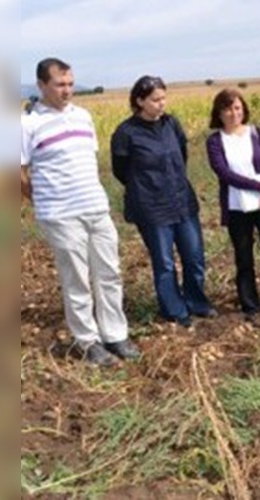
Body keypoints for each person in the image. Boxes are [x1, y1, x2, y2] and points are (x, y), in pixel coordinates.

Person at [21, 57, 136, 367]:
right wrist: (44, 200)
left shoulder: (83, 117)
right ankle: (87, 341)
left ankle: (115, 335)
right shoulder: (27, 124)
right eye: (60, 84)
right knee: (78, 280)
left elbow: (87, 161)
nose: (67, 90)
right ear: (41, 85)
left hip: (96, 206)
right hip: (60, 213)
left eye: (71, 83)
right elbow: (18, 172)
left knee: (109, 273)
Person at [111, 75, 216, 328]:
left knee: (194, 256)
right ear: (140, 101)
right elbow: (120, 170)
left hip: (182, 200)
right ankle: (175, 310)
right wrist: (146, 186)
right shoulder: (126, 133)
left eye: (163, 98)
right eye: (155, 99)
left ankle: (196, 301)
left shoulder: (172, 124)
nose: (161, 104)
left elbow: (181, 156)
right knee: (164, 262)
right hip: (151, 207)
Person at [207, 89, 260, 320]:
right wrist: (259, 187)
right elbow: (224, 173)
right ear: (219, 113)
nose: (234, 113)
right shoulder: (215, 141)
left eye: (237, 108)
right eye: (228, 109)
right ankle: (250, 305)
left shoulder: (255, 132)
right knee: (244, 257)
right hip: (237, 207)